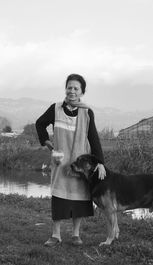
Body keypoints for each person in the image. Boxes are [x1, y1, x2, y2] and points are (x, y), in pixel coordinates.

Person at [36, 73, 106, 247]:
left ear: (82, 92)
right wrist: (47, 142)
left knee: (79, 199)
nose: (72, 91)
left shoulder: (87, 112)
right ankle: (56, 235)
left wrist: (100, 163)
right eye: (69, 87)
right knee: (59, 198)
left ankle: (76, 235)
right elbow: (39, 123)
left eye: (76, 88)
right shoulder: (56, 108)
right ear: (65, 89)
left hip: (81, 165)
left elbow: (93, 138)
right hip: (61, 162)